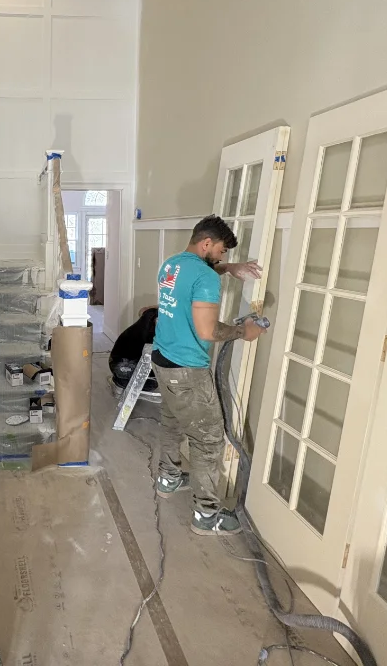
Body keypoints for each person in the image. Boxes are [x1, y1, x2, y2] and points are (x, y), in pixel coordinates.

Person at [151, 215, 267, 536]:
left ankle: (168, 479)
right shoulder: (206, 278)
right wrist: (245, 331)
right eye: (220, 251)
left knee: (173, 421)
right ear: (206, 243)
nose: (222, 257)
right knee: (209, 439)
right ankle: (206, 515)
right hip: (187, 369)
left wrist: (229, 269)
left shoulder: (171, 265)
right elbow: (208, 329)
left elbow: (196, 275)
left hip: (162, 358)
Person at [109, 307, 160, 397]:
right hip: (150, 383)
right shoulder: (162, 338)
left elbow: (142, 311)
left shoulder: (130, 333)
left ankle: (119, 386)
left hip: (121, 375)